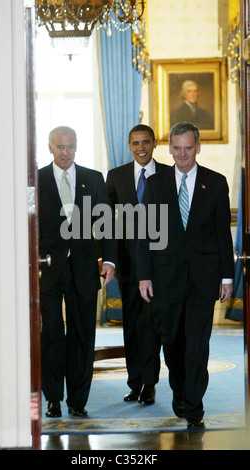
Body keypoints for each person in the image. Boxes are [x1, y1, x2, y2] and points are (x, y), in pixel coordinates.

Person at [137, 122, 234, 429]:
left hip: (203, 281)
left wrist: (227, 278)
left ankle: (194, 406)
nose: (181, 155)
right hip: (165, 279)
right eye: (176, 148)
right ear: (169, 149)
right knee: (173, 344)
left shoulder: (216, 183)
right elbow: (144, 235)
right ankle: (180, 392)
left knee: (197, 345)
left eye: (187, 148)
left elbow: (222, 234)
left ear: (198, 147)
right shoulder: (156, 184)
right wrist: (144, 275)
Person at [39, 126, 116, 418]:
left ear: (76, 147)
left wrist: (109, 260)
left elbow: (106, 222)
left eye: (70, 147)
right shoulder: (37, 179)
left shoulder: (92, 179)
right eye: (59, 147)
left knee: (83, 335)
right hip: (47, 269)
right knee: (53, 334)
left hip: (84, 268)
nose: (65, 152)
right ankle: (54, 398)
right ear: (50, 148)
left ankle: (78, 400)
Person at [106, 124, 169, 405]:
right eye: (135, 143)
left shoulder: (169, 174)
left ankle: (150, 383)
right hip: (129, 266)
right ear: (129, 145)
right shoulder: (116, 176)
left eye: (146, 142)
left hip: (161, 266)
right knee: (132, 325)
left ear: (154, 143)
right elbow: (106, 221)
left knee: (153, 325)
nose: (141, 148)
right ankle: (135, 383)